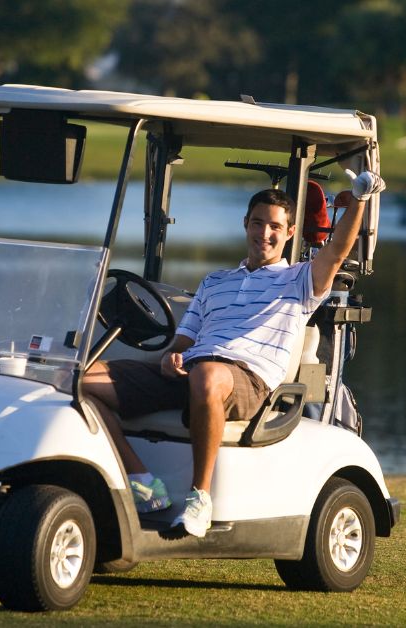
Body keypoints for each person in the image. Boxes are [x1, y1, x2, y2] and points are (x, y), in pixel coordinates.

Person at [82, 169, 385, 537]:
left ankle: (199, 499)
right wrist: (170, 357)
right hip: (194, 372)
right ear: (246, 225)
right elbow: (183, 341)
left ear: (290, 232)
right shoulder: (215, 282)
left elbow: (336, 251)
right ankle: (142, 482)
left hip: (247, 382)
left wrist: (360, 200)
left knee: (208, 376)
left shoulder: (300, 280)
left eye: (275, 226)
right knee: (80, 382)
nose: (265, 233)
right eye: (258, 223)